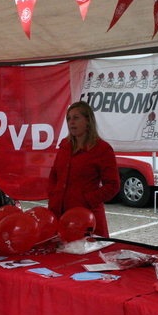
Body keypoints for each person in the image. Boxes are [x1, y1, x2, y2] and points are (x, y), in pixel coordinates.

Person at [47, 101, 120, 238]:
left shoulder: (102, 149)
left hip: (86, 216)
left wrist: (87, 199)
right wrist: (52, 193)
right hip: (59, 213)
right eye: (68, 118)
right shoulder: (64, 145)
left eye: (76, 117)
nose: (71, 122)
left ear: (88, 121)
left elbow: (113, 185)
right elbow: (54, 173)